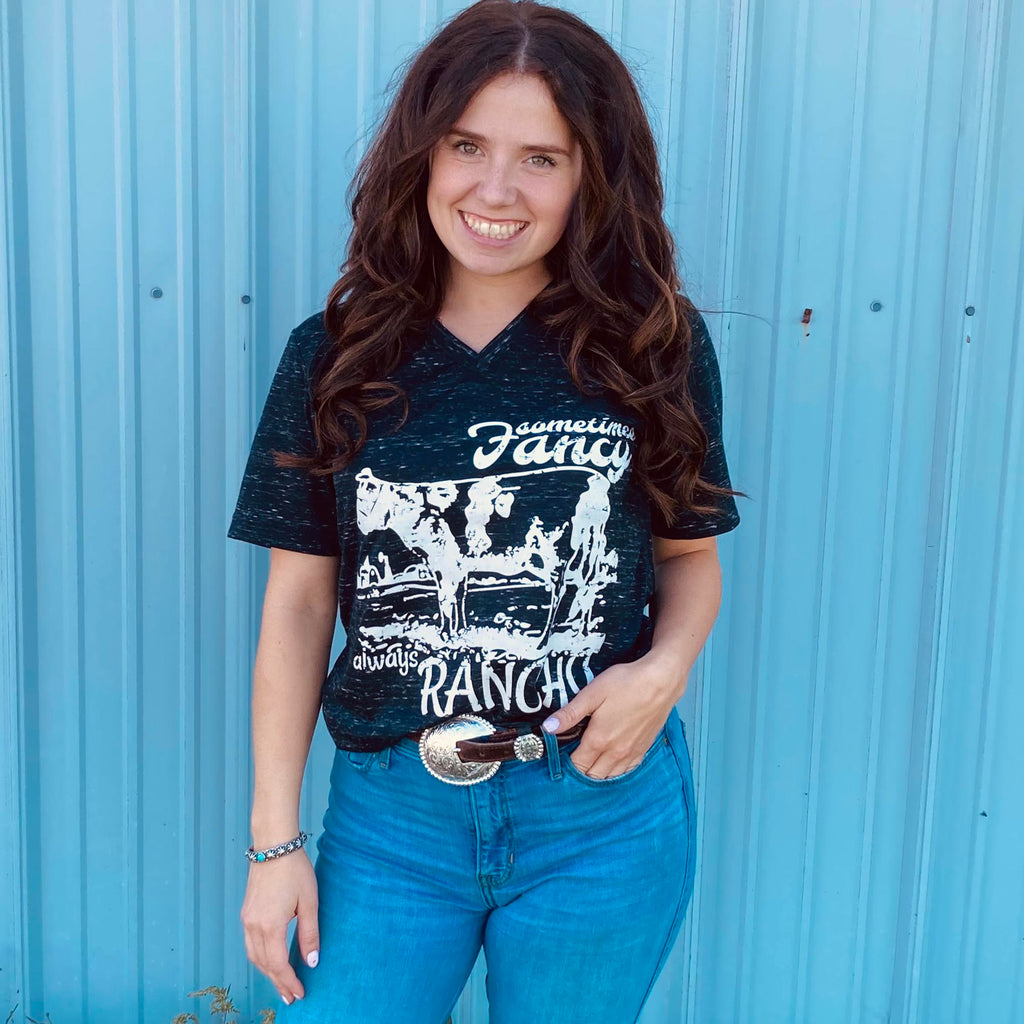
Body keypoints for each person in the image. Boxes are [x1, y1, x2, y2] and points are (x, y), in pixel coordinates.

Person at [227, 1, 744, 1021]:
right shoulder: (334, 357)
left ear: (593, 176)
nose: (495, 190)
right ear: (421, 154)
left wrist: (663, 671)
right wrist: (273, 842)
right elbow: (298, 604)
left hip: (598, 813)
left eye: (541, 158)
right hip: (393, 822)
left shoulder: (652, 345)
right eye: (467, 145)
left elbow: (689, 558)